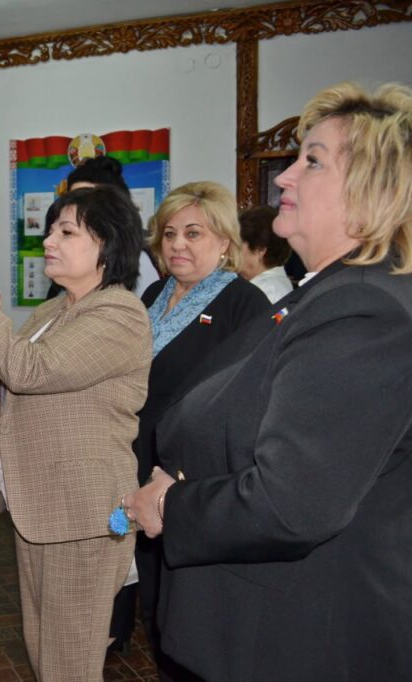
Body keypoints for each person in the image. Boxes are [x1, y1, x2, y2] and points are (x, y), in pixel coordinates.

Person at [124, 81, 412, 680]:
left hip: (295, 637)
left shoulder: (364, 310)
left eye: (312, 161)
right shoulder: (323, 293)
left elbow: (291, 502)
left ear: (372, 188)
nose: (284, 177)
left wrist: (171, 503)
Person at [0, 186, 151, 680]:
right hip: (43, 507)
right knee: (44, 652)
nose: (48, 241)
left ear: (107, 245)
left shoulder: (119, 314)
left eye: (66, 232)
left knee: (68, 662)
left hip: (83, 516)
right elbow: (0, 385)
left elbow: (29, 370)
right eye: (51, 229)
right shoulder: (55, 310)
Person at [134, 180, 268, 674]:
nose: (178, 245)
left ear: (225, 241)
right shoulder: (154, 293)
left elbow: (246, 401)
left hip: (193, 475)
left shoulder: (244, 303)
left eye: (194, 233)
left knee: (187, 608)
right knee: (152, 594)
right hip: (140, 459)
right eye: (170, 234)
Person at [47, 155, 160, 299]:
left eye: (91, 197)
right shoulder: (65, 270)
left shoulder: (139, 261)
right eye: (74, 196)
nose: (80, 204)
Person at [238, 204, 294, 301]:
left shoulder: (269, 291)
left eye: (238, 246)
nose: (233, 253)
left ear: (259, 250)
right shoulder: (270, 286)